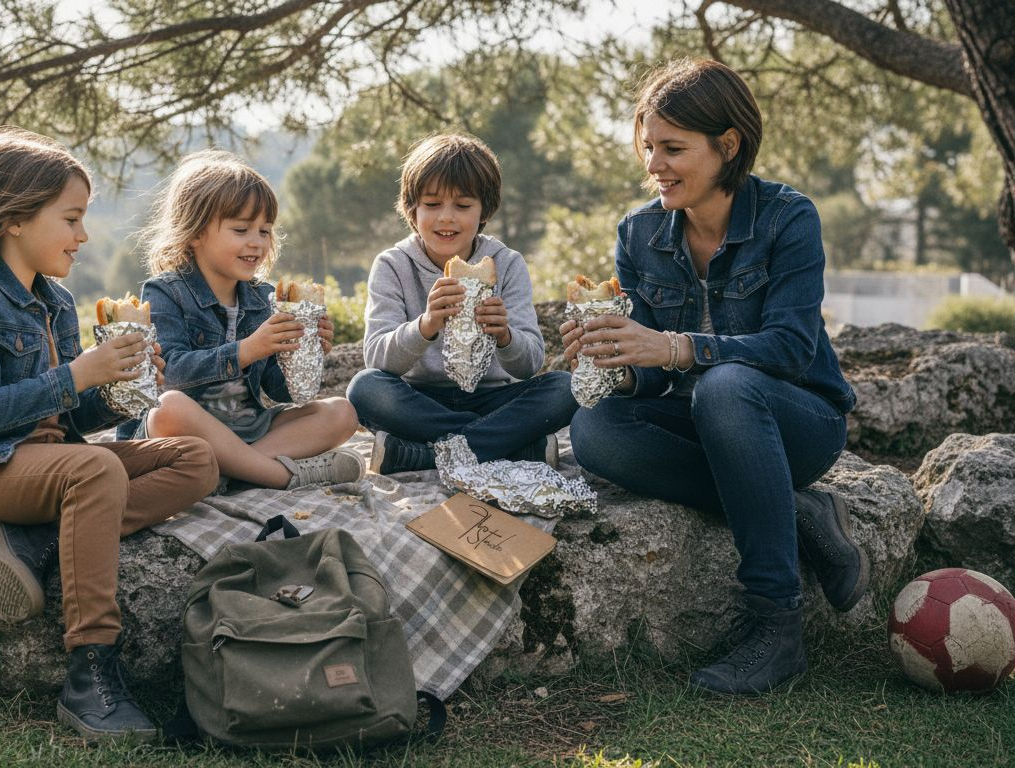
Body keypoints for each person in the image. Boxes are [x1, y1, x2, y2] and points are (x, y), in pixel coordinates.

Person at [0, 127, 220, 742]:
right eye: (71, 219)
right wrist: (78, 373)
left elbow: (71, 424)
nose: (83, 236)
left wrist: (117, 389)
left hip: (45, 472)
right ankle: (90, 671)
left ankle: (41, 543)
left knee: (196, 459)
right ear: (15, 217)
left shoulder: (55, 299)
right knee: (95, 470)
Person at [560, 60, 868, 694]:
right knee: (593, 429)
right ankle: (798, 512)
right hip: (708, 422)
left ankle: (778, 627)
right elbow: (648, 374)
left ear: (727, 146)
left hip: (797, 420)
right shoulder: (638, 233)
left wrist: (672, 348)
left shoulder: (789, 219)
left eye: (673, 149)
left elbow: (787, 348)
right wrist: (611, 358)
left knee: (726, 384)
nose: (655, 165)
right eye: (649, 147)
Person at [116, 150, 364, 490]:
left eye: (264, 230)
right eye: (241, 229)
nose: (256, 242)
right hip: (186, 433)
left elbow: (277, 390)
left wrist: (305, 353)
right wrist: (246, 350)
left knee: (342, 412)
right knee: (169, 407)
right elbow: (169, 375)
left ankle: (231, 473)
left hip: (249, 431)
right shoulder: (165, 293)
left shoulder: (265, 297)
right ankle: (277, 475)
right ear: (195, 233)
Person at [347, 133, 576, 473]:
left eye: (463, 206)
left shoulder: (507, 263)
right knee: (365, 389)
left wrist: (505, 337)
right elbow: (377, 357)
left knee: (565, 388)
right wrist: (424, 326)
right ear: (412, 209)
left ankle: (422, 455)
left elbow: (529, 364)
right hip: (421, 399)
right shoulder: (393, 265)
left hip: (494, 400)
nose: (446, 218)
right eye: (432, 204)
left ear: (485, 210)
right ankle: (508, 447)